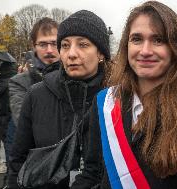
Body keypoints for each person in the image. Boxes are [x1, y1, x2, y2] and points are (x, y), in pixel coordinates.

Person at [72, 1, 177, 189]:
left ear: (175, 48)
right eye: (137, 39)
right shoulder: (105, 103)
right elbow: (92, 174)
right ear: (126, 46)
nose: (145, 51)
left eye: (158, 40)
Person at [8, 10, 110, 189]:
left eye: (83, 44)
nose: (71, 54)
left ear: (101, 53)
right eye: (64, 45)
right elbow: (18, 161)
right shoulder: (36, 95)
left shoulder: (116, 98)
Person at [9, 17, 60, 127]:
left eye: (54, 43)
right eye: (43, 44)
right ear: (34, 46)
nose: (49, 50)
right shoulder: (19, 82)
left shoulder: (75, 74)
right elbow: (25, 124)